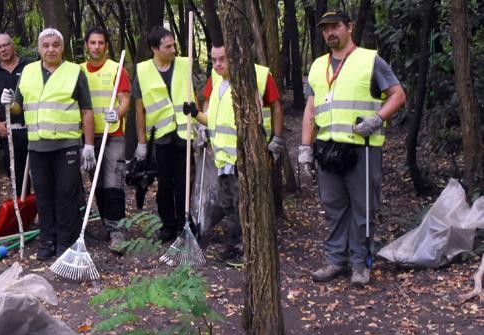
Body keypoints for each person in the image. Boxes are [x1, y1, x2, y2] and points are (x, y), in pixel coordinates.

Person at [299, 11, 405, 286]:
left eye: (335, 26)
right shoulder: (317, 66)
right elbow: (311, 109)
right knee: (333, 207)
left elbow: (398, 94)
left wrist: (376, 119)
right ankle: (336, 260)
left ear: (349, 27)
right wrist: (305, 146)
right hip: (328, 148)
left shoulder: (369, 60)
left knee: (363, 209)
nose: (330, 32)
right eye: (325, 29)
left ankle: (360, 263)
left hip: (362, 147)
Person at [186, 44, 285, 266]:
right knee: (229, 204)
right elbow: (212, 119)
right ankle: (235, 244)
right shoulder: (217, 80)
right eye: (214, 60)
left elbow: (276, 107)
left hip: (246, 158)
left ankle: (248, 249)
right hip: (222, 158)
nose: (218, 64)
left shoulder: (259, 75)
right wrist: (195, 115)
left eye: (222, 59)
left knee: (245, 204)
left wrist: (276, 141)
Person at [2, 28, 95, 260]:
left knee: (66, 194)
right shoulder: (29, 72)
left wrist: (89, 145)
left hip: (67, 146)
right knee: (43, 195)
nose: (50, 49)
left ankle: (65, 241)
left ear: (62, 48)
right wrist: (9, 101)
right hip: (37, 146)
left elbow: (86, 111)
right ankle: (47, 240)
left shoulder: (75, 72)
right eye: (46, 45)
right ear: (39, 48)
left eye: (55, 45)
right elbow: (18, 108)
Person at [132, 26, 195, 243]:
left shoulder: (185, 65)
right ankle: (168, 225)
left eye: (174, 45)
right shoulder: (143, 71)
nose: (173, 49)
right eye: (168, 46)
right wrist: (141, 142)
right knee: (165, 183)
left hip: (184, 133)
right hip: (161, 135)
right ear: (154, 49)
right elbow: (139, 109)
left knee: (184, 181)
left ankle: (186, 222)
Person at [80, 27, 131, 253]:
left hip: (113, 135)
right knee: (97, 183)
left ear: (106, 46)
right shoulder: (79, 71)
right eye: (93, 43)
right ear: (87, 45)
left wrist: (117, 114)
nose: (97, 47)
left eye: (101, 43)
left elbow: (125, 100)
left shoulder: (116, 69)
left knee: (113, 181)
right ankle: (106, 224)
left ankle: (117, 230)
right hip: (90, 136)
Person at [0, 33, 29, 197]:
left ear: (13, 45)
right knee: (15, 173)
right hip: (8, 131)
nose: (3, 49)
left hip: (31, 128)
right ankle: (22, 208)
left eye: (6, 45)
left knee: (37, 171)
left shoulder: (29, 67)